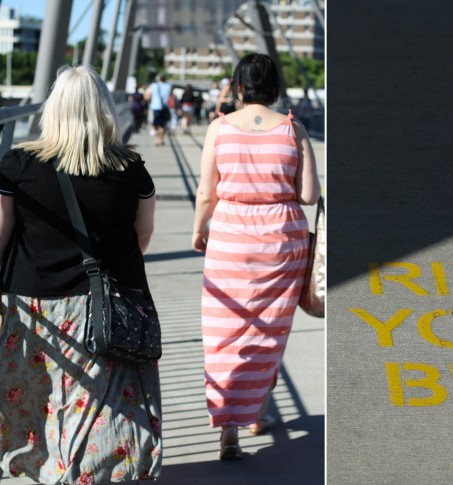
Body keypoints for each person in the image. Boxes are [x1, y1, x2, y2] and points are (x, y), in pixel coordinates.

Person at [0, 66, 161, 482]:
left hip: (34, 306)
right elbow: (142, 237)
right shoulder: (131, 168)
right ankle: (91, 472)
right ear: (104, 109)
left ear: (52, 110)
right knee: (99, 408)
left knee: (43, 400)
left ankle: (51, 469)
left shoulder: (18, 165)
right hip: (108, 308)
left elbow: (0, 235)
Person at [192, 53, 320, 460]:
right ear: (276, 87)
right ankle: (256, 414)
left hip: (230, 238)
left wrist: (200, 231)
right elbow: (309, 195)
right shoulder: (292, 128)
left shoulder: (220, 128)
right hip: (282, 240)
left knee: (225, 333)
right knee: (267, 333)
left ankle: (229, 428)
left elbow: (206, 191)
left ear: (239, 87)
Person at [145, 73, 172, 146]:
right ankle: (161, 139)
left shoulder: (154, 85)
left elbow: (146, 96)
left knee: (155, 124)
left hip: (155, 107)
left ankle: (157, 140)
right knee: (163, 124)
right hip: (165, 107)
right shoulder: (168, 86)